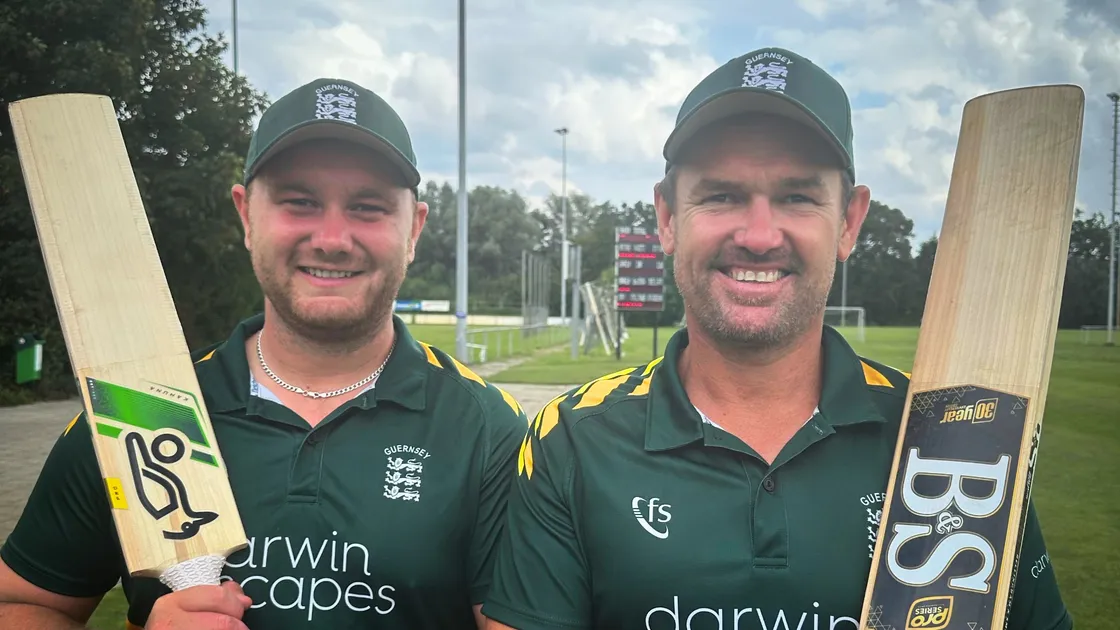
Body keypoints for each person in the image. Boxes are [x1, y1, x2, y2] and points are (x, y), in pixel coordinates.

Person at [481, 47, 1073, 630]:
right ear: (666, 217)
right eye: (721, 195)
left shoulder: (955, 440)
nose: (760, 236)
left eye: (796, 196)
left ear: (848, 221)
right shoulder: (575, 439)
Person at [0, 77, 529, 629]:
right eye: (299, 202)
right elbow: (21, 603)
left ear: (414, 228)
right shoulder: (136, 407)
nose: (331, 237)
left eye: (368, 207)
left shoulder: (486, 428)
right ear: (246, 215)